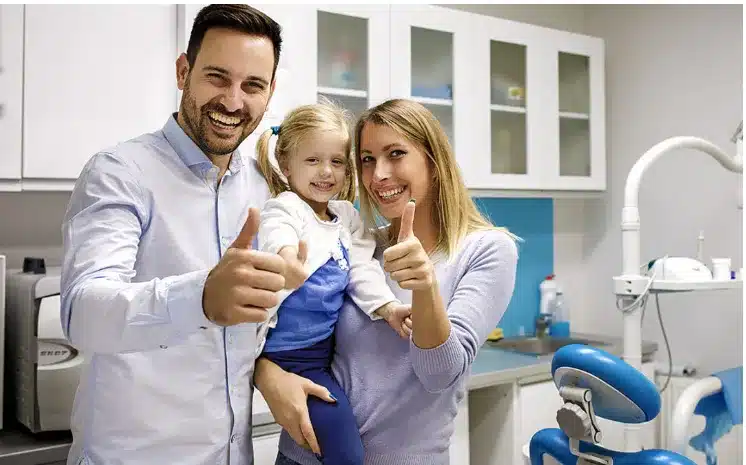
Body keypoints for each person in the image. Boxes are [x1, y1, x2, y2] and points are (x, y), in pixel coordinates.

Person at [59, 5, 334, 465]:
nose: (232, 101)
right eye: (217, 77)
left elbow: (253, 331)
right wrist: (201, 298)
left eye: (252, 85)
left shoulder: (265, 188)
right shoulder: (120, 173)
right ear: (184, 72)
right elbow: (83, 313)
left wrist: (268, 371)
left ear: (269, 93)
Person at [253, 98, 519, 465]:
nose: (378, 175)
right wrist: (266, 375)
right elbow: (289, 330)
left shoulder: (487, 250)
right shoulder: (356, 242)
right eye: (366, 159)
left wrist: (424, 287)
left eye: (396, 154)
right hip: (301, 454)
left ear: (434, 160)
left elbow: (439, 374)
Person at [253, 100, 412, 465]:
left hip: (320, 358)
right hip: (285, 358)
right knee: (347, 453)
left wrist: (387, 307)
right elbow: (278, 233)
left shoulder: (345, 216)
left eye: (337, 162)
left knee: (341, 448)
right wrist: (287, 260)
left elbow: (361, 267)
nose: (326, 172)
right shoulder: (287, 206)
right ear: (286, 163)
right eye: (312, 161)